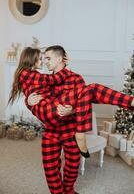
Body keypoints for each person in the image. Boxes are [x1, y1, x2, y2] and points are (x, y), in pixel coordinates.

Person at [8, 46, 134, 194]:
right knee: (50, 167)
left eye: (48, 58)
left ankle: (68, 191)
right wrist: (28, 102)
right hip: (51, 129)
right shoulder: (44, 80)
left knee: (73, 165)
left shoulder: (76, 79)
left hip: (70, 129)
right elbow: (39, 103)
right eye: (43, 58)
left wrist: (72, 110)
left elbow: (84, 102)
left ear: (60, 59)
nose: (45, 62)